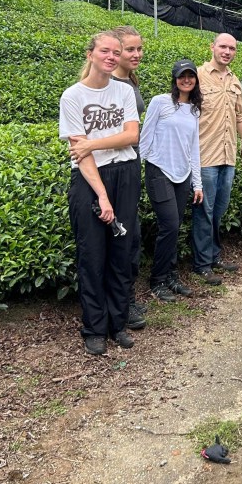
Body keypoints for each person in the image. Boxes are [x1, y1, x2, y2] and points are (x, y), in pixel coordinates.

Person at [59, 32, 141, 356]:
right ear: (90, 53)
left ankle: (117, 324)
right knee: (92, 255)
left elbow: (131, 135)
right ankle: (94, 327)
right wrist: (102, 196)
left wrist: (93, 141)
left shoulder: (123, 90)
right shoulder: (73, 96)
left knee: (122, 252)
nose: (111, 56)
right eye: (105, 51)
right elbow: (80, 156)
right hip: (90, 178)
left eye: (115, 52)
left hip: (126, 173)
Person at [139, 60, 203, 300]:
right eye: (181, 76)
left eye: (191, 76)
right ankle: (157, 279)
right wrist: (139, 168)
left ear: (195, 80)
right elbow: (144, 138)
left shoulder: (195, 109)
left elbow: (194, 147)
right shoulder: (160, 102)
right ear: (174, 78)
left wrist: (197, 183)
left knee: (174, 226)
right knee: (170, 225)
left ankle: (171, 275)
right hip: (159, 170)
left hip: (183, 174)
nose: (186, 80)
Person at [193, 33, 242, 283]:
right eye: (223, 47)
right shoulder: (197, 75)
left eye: (232, 48)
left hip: (228, 155)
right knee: (204, 210)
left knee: (219, 208)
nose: (227, 51)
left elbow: (241, 117)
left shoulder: (235, 80)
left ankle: (214, 254)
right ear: (212, 47)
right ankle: (202, 263)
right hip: (205, 154)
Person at [110, 25, 147, 329]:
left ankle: (127, 297)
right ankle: (121, 302)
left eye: (139, 49)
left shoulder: (130, 81)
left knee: (131, 234)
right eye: (130, 49)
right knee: (121, 234)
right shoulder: (107, 84)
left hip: (132, 162)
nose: (136, 54)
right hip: (113, 167)